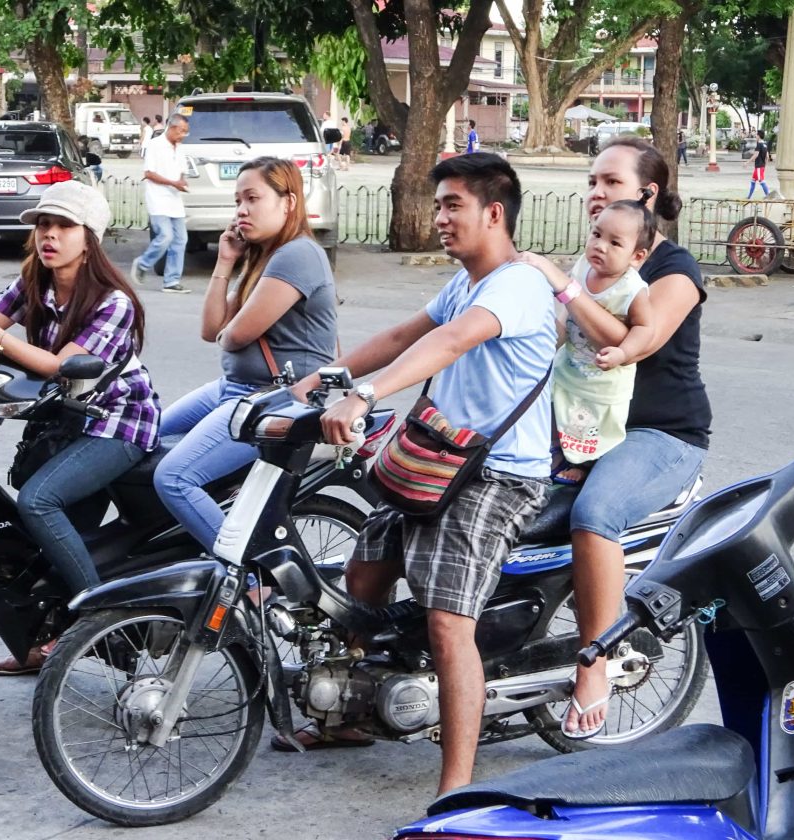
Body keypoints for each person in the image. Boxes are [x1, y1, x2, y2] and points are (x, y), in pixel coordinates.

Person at [282, 153, 555, 796]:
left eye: (452, 205)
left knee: (446, 622)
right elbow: (410, 331)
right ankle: (344, 714)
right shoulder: (465, 281)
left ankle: (455, 788)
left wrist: (366, 395)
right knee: (362, 576)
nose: (439, 218)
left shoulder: (515, 285)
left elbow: (453, 341)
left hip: (497, 475)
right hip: (438, 460)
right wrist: (324, 378)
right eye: (437, 206)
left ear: (494, 213)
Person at [0, 181, 160, 675]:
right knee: (51, 539)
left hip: (118, 423)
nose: (48, 236)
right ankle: (44, 644)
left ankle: (101, 618)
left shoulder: (112, 301)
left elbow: (62, 365)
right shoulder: (34, 281)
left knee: (39, 502)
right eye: (42, 225)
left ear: (89, 238)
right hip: (67, 421)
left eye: (62, 226)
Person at [537, 136, 711, 739]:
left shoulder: (674, 269)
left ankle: (595, 663)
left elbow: (641, 335)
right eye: (591, 181)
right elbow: (551, 334)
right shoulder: (593, 263)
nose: (595, 194)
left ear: (648, 194)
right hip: (581, 425)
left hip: (660, 434)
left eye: (610, 182)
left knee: (594, 515)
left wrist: (564, 286)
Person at [153, 157, 337, 551]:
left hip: (276, 402)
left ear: (288, 202)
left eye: (252, 198)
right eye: (238, 200)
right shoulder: (265, 256)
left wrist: (229, 330)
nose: (241, 210)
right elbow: (211, 330)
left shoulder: (297, 255)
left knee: (174, 478)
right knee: (146, 437)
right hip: (237, 389)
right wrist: (225, 261)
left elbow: (235, 335)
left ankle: (250, 578)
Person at [519, 200, 656, 487]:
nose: (600, 246)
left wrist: (623, 352)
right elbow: (566, 313)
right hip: (570, 368)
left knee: (592, 426)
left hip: (603, 382)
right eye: (596, 234)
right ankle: (556, 454)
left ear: (637, 256)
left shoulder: (632, 289)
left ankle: (584, 465)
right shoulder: (582, 267)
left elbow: (645, 329)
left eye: (615, 243)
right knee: (558, 410)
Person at [131, 113, 191, 293]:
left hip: (175, 200)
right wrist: (173, 183)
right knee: (165, 236)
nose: (183, 135)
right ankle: (142, 263)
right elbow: (149, 173)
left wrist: (181, 182)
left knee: (181, 240)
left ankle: (171, 281)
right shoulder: (155, 145)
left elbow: (182, 171)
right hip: (158, 199)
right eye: (182, 131)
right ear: (172, 128)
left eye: (186, 132)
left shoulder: (179, 148)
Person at [747, 129, 770, 199]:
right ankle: (749, 197)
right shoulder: (765, 144)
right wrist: (765, 165)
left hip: (759, 166)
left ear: (759, 136)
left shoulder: (759, 144)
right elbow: (767, 157)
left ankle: (769, 196)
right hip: (761, 166)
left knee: (761, 181)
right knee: (753, 180)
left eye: (756, 135)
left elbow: (756, 155)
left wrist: (747, 162)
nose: (756, 136)